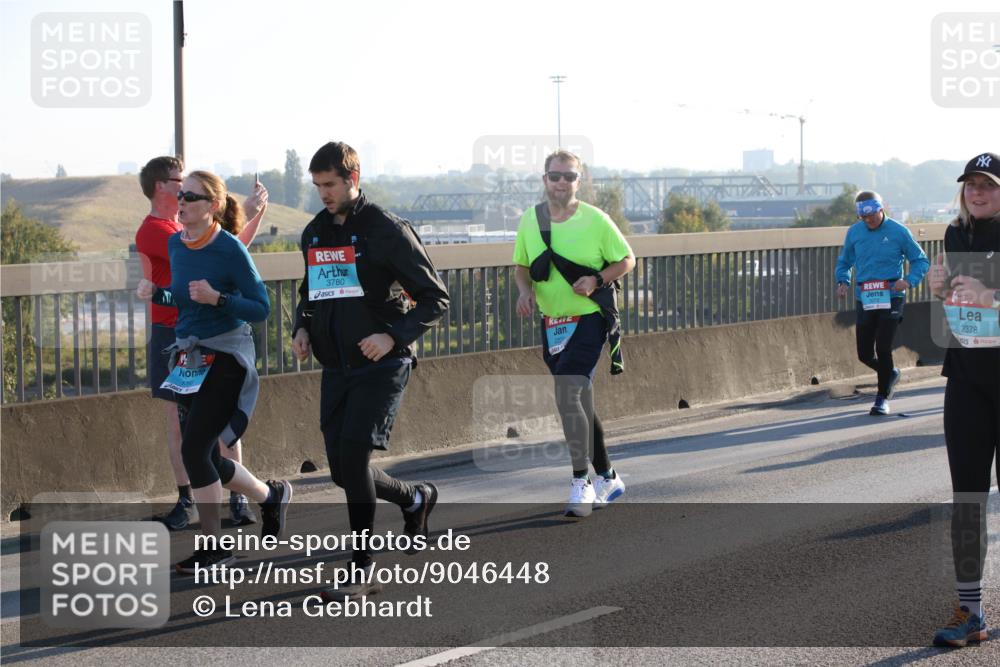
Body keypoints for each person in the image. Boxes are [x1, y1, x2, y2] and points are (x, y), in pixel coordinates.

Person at [291, 142, 449, 599]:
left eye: (331, 184)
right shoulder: (315, 233)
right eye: (317, 185)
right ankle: (415, 498)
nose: (323, 193)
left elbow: (435, 297)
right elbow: (310, 293)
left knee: (356, 460)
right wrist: (302, 327)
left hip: (383, 362)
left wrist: (392, 337)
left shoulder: (386, 229)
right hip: (337, 366)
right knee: (343, 471)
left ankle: (361, 568)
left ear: (353, 177)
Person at [137, 170, 291, 572]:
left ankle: (216, 548)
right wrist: (158, 293)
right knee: (203, 454)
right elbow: (185, 297)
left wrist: (219, 298)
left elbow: (261, 308)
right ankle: (270, 496)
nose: (182, 202)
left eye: (191, 196)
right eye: (181, 195)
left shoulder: (229, 250)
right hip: (190, 359)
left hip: (227, 358)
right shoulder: (176, 243)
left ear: (214, 206)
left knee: (193, 451)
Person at [512, 150, 635, 518]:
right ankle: (609, 476)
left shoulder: (597, 220)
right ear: (544, 179)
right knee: (578, 399)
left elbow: (627, 259)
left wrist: (597, 279)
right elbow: (521, 265)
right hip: (552, 323)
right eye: (555, 176)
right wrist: (524, 291)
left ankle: (581, 481)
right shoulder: (530, 221)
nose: (561, 182)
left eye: (569, 176)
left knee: (568, 390)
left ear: (579, 181)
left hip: (589, 318)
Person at [927, 152, 1000, 648]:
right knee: (967, 499)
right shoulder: (956, 236)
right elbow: (958, 309)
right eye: (971, 185)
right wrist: (939, 291)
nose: (977, 192)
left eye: (988, 185)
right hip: (968, 377)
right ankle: (970, 613)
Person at [835, 190, 929, 415]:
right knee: (865, 354)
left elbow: (921, 260)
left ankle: (882, 399)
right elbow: (845, 261)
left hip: (892, 295)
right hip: (865, 296)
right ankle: (890, 373)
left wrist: (908, 281)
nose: (869, 220)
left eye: (872, 215)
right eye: (864, 217)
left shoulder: (898, 231)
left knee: (884, 346)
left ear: (881, 208)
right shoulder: (855, 232)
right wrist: (843, 280)